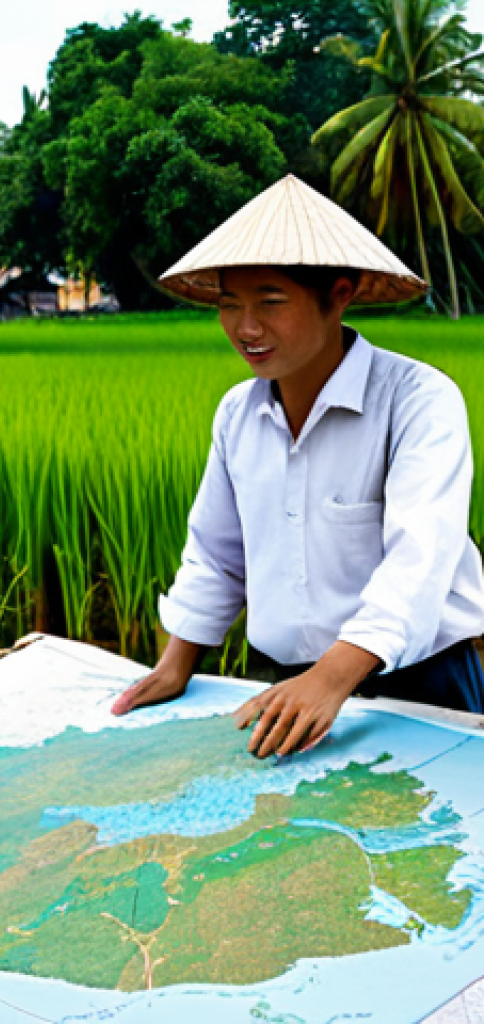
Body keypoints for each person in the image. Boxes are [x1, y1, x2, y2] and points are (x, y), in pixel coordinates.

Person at [112, 175, 484, 760]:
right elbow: (216, 553)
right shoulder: (238, 414)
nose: (246, 328)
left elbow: (421, 558)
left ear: (338, 294)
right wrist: (175, 664)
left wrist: (331, 679)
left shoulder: (418, 400)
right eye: (230, 305)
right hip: (285, 683)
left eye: (270, 302)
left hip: (417, 681)